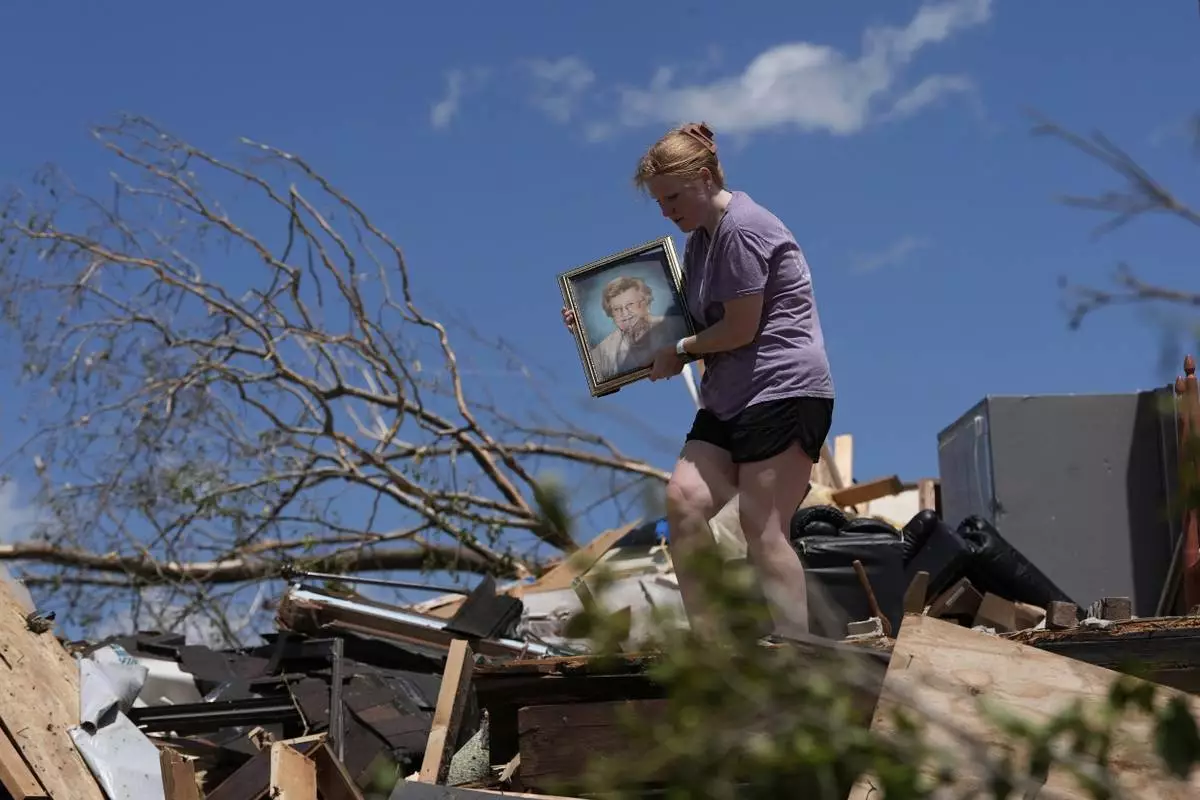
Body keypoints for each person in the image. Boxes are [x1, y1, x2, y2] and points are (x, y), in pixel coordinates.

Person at [561, 121, 835, 642]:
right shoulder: (700, 243)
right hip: (729, 398)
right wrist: (592, 328)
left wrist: (680, 349)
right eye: (659, 202)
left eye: (673, 197)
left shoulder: (745, 230)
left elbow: (738, 328)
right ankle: (713, 647)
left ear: (706, 178)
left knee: (762, 528)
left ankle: (798, 650)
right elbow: (681, 323)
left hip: (783, 390)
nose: (666, 210)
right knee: (684, 501)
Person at [589, 274, 683, 382]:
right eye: (617, 309)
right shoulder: (602, 354)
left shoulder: (678, 326)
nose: (625, 313)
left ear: (647, 304)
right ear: (611, 314)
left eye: (630, 305)